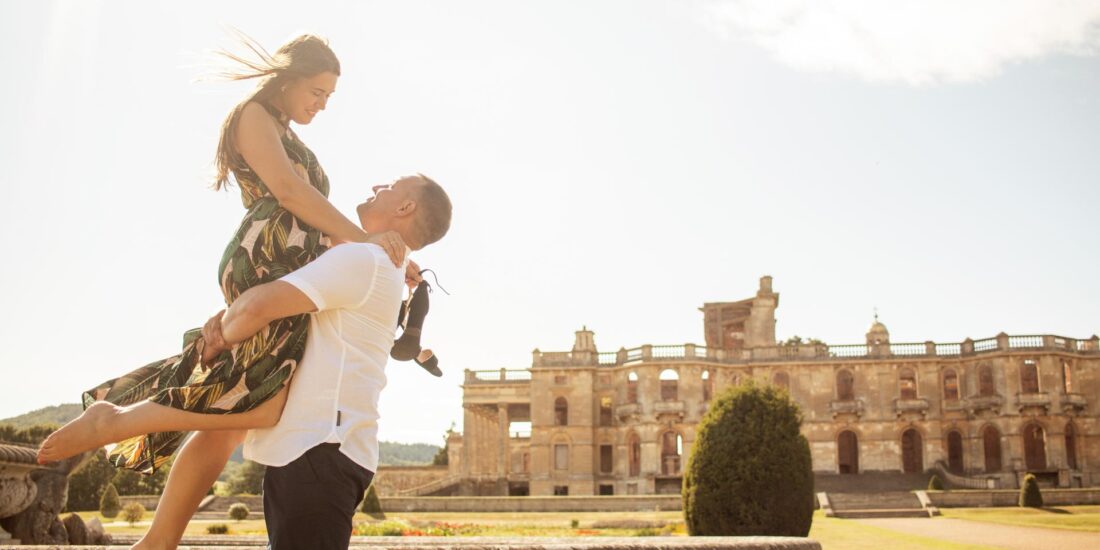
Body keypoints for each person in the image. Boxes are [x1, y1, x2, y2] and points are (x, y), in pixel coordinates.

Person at [37, 33, 417, 470]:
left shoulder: (286, 130)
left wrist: (394, 257)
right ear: (288, 79)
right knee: (258, 400)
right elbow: (290, 193)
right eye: (317, 92)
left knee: (236, 401)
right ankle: (115, 420)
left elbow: (313, 217)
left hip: (291, 261)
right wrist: (364, 239)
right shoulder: (253, 115)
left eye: (328, 96)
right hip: (265, 257)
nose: (322, 105)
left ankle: (156, 523)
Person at [212, 174, 452, 549]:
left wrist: (212, 341)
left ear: (405, 208)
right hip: (320, 450)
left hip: (319, 449)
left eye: (388, 186)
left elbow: (257, 307)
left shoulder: (366, 260)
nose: (376, 187)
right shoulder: (377, 263)